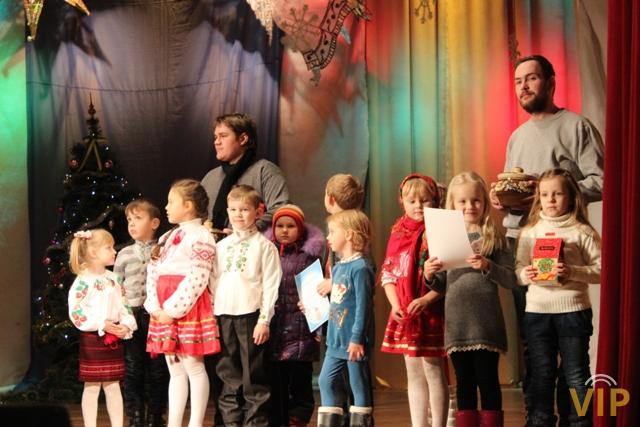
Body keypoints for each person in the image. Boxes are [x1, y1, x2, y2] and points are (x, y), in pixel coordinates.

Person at [490, 54, 604, 424]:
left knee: (571, 354)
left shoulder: (576, 126)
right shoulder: (517, 136)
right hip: (520, 243)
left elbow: (602, 180)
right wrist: (502, 198)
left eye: (532, 78)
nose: (523, 86)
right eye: (518, 81)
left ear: (551, 82)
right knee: (535, 348)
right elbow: (513, 187)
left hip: (562, 245)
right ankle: (538, 418)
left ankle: (576, 418)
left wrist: (552, 193)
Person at [425, 172, 516, 427]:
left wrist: (488, 265)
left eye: (476, 200)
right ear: (452, 205)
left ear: (485, 202)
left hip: (486, 323)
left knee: (487, 379)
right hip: (458, 324)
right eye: (462, 201)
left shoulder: (495, 238)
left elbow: (510, 279)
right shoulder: (444, 239)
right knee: (464, 381)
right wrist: (428, 274)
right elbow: (440, 284)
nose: (469, 206)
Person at [515, 169, 600, 427]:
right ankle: (539, 420)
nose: (550, 199)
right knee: (541, 373)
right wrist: (526, 274)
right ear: (538, 198)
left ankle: (580, 420)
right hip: (537, 312)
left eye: (557, 194)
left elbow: (602, 270)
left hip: (573, 311)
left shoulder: (582, 232)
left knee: (576, 373)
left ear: (571, 197)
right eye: (544, 194)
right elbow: (518, 269)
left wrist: (572, 271)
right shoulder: (530, 231)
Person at [145, 179, 221, 427]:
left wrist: (173, 309)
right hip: (163, 305)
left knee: (194, 368)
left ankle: (195, 423)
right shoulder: (168, 235)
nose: (166, 207)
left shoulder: (201, 236)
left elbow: (198, 276)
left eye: (171, 202)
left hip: (186, 306)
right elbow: (153, 272)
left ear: (188, 206)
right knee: (175, 369)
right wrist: (155, 306)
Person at [378, 173, 448, 427]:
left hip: (431, 312)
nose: (418, 206)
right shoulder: (398, 232)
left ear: (435, 200)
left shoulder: (439, 230)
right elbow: (388, 272)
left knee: (433, 369)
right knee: (413, 372)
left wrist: (427, 299)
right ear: (402, 202)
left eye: (425, 200)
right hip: (406, 311)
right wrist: (395, 304)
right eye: (412, 201)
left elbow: (449, 277)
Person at [213, 184, 283, 426]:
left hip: (251, 316)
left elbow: (271, 286)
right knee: (228, 374)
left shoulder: (265, 247)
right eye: (233, 209)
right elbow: (213, 281)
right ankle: (231, 422)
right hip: (224, 315)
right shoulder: (221, 247)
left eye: (244, 209)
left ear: (258, 212)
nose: (238, 214)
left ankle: (255, 423)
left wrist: (264, 320)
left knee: (253, 375)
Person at [68, 228, 138, 427]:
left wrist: (126, 325)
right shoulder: (83, 280)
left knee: (113, 385)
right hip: (93, 338)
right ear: (93, 252)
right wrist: (101, 323)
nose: (114, 251)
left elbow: (124, 306)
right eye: (109, 248)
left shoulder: (114, 279)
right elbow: (77, 312)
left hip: (112, 337)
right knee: (91, 386)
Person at [266, 204, 326, 427]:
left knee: (300, 380)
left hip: (301, 329)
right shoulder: (267, 252)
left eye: (290, 226)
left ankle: (298, 418)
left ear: (300, 229)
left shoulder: (309, 256)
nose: (284, 230)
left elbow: (317, 293)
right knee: (276, 381)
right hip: (275, 329)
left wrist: (317, 326)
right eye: (280, 226)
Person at [113, 199, 169, 427]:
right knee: (133, 367)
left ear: (154, 223)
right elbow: (117, 287)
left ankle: (156, 415)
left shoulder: (164, 250)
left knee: (158, 368)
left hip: (156, 316)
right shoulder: (124, 253)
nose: (132, 224)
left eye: (138, 218)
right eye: (129, 220)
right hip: (132, 316)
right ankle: (135, 415)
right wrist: (120, 316)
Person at [317, 210, 375, 427]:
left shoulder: (361, 268)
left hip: (352, 341)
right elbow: (338, 302)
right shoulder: (339, 267)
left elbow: (363, 307)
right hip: (335, 339)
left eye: (333, 232)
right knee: (325, 380)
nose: (328, 237)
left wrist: (357, 338)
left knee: (357, 384)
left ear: (349, 234)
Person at [201, 113, 289, 234]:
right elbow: (197, 214)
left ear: (243, 139)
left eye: (223, 136)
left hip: (253, 243)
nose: (217, 142)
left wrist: (247, 232)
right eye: (216, 137)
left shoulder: (265, 171)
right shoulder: (210, 177)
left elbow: (280, 208)